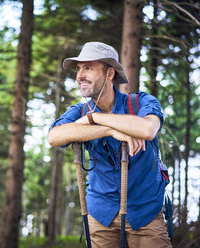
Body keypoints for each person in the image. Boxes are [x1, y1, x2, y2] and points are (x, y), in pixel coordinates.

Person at [48, 42, 172, 248]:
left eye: (88, 68)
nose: (80, 76)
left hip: (145, 212)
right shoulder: (79, 111)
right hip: (100, 214)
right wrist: (109, 129)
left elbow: (148, 130)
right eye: (79, 69)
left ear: (110, 73)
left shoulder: (141, 102)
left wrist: (95, 118)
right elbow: (55, 136)